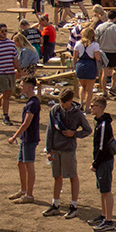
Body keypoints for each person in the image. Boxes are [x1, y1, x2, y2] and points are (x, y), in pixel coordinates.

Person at [43, 89, 92, 219]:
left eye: (64, 102)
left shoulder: (78, 114)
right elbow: (50, 130)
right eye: (60, 101)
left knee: (72, 176)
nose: (61, 104)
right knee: (57, 176)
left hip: (68, 150)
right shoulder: (55, 110)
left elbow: (88, 130)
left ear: (70, 101)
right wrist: (48, 150)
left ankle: (74, 205)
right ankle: (55, 204)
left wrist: (74, 134)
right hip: (55, 148)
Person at [7, 76, 42, 205]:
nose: (20, 87)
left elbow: (26, 123)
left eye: (22, 85)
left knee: (29, 165)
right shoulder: (31, 102)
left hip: (29, 138)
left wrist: (14, 136)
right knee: (21, 163)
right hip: (26, 138)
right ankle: (23, 190)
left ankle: (29, 194)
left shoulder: (33, 103)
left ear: (29, 87)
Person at [88, 96, 116, 232]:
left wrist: (95, 163)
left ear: (100, 108)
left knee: (106, 190)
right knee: (102, 189)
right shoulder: (100, 122)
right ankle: (103, 215)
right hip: (102, 160)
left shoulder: (104, 124)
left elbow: (101, 147)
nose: (90, 107)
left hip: (104, 161)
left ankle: (109, 220)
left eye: (93, 106)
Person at [96, 11, 116, 95]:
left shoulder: (100, 27)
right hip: (112, 51)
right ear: (115, 17)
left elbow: (96, 40)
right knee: (115, 69)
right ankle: (112, 86)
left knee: (104, 72)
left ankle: (104, 91)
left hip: (102, 52)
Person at [73, 26, 101, 108]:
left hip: (80, 64)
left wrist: (75, 66)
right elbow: (98, 57)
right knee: (89, 89)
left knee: (82, 86)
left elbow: (75, 57)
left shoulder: (78, 43)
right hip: (90, 65)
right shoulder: (95, 45)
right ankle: (87, 106)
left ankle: (81, 101)